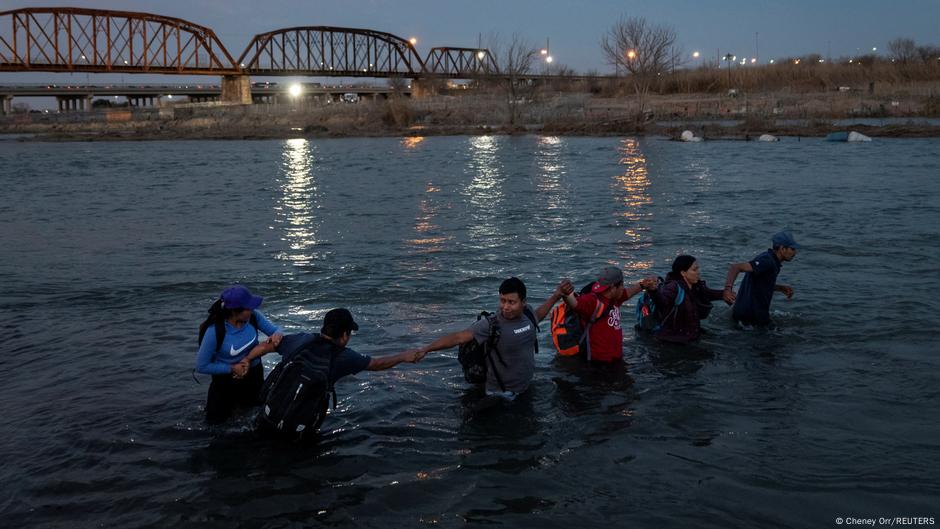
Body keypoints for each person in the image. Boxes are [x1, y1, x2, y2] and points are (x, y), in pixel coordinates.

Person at [242, 308, 425, 433]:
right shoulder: (344, 357)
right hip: (298, 428)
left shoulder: (300, 340)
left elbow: (265, 347)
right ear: (345, 335)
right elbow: (377, 364)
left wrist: (246, 360)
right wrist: (403, 356)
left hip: (267, 417)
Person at [406, 277, 566, 400]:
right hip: (501, 395)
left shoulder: (528, 314)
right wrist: (426, 349)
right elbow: (458, 337)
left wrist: (556, 296)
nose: (505, 307)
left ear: (523, 302)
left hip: (525, 388)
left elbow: (538, 316)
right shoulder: (491, 325)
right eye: (502, 301)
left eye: (512, 302)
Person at [196, 285, 283, 424]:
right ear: (235, 312)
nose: (252, 309)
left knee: (256, 420)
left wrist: (277, 335)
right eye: (248, 308)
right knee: (217, 426)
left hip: (254, 376)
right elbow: (201, 366)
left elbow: (275, 329)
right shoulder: (215, 331)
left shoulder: (253, 317)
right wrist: (232, 368)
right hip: (225, 382)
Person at [559, 267, 657, 363]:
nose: (623, 288)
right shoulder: (593, 301)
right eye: (622, 285)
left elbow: (628, 293)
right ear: (613, 287)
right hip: (599, 365)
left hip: (615, 360)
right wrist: (566, 294)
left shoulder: (615, 298)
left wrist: (643, 285)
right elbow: (575, 304)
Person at [645, 255, 729, 344]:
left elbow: (707, 294)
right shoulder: (673, 287)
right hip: (672, 341)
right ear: (683, 273)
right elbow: (662, 301)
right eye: (694, 270)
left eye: (698, 269)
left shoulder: (694, 286)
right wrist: (653, 291)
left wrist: (725, 293)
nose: (698, 272)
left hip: (689, 337)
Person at [724, 231, 801, 327]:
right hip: (751, 318)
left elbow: (760, 283)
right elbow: (736, 267)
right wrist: (728, 289)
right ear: (782, 248)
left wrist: (779, 288)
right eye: (792, 249)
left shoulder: (770, 259)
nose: (795, 252)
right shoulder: (767, 261)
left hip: (746, 315)